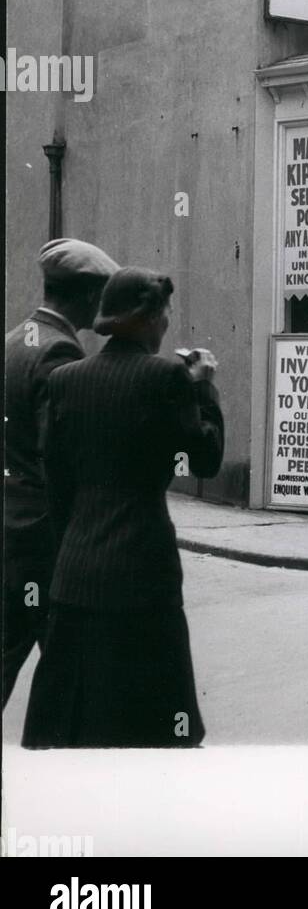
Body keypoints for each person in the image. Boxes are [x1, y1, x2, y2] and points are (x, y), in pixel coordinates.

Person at [22, 268, 223, 748]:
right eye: (165, 313)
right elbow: (206, 461)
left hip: (76, 572)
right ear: (148, 318)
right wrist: (203, 389)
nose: (168, 324)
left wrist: (74, 544)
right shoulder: (167, 376)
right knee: (149, 721)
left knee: (75, 724)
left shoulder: (66, 380)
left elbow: (57, 482)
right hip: (143, 569)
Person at [3, 237, 119, 709]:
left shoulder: (14, 340)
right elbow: (63, 458)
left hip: (11, 529)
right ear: (88, 295)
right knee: (75, 671)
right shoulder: (60, 355)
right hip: (43, 540)